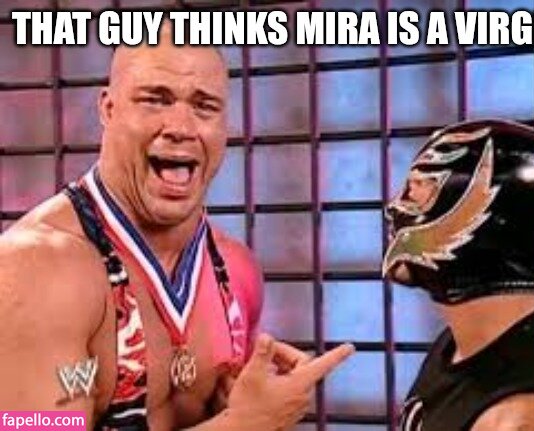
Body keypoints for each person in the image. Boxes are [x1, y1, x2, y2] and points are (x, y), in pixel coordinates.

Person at [0, 26, 354, 430]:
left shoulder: (236, 271)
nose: (181, 127)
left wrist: (247, 404)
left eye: (205, 107)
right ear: (108, 109)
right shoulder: (33, 272)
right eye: (156, 99)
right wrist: (246, 423)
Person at [382, 119, 534, 431]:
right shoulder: (467, 345)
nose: (393, 207)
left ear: (484, 220)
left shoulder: (526, 418)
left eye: (417, 192)